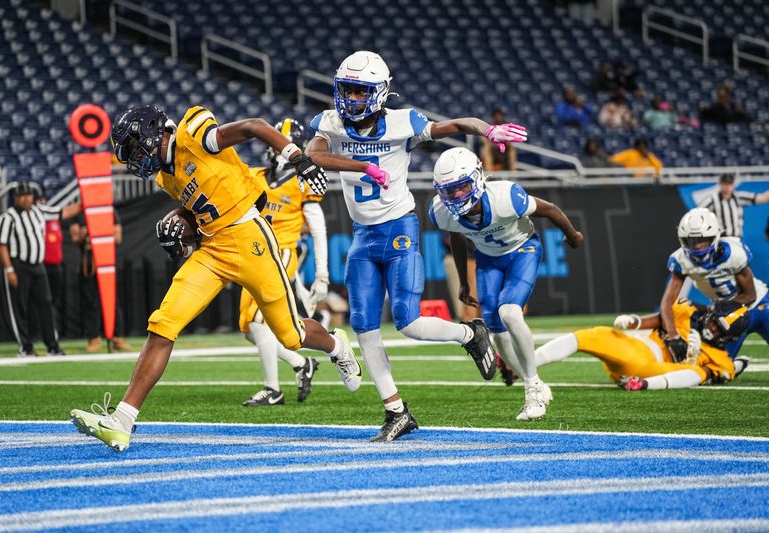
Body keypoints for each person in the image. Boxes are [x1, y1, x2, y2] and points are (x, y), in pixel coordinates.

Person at [71, 105, 362, 452]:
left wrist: (297, 157)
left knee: (291, 335)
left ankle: (336, 345)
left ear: (153, 132)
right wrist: (181, 228)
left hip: (251, 239)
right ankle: (122, 420)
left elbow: (253, 124)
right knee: (163, 323)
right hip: (212, 250)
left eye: (136, 148)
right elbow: (200, 209)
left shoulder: (194, 134)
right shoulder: (166, 176)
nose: (135, 158)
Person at [306, 50, 524, 441]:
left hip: (398, 228)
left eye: (361, 91)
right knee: (363, 327)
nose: (352, 99)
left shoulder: (402, 122)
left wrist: (487, 131)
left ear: (380, 92)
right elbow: (314, 154)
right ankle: (396, 411)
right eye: (348, 90)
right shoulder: (332, 124)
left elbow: (455, 124)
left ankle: (469, 335)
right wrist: (360, 166)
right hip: (362, 235)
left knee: (408, 322)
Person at [429, 147, 583, 420]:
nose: (455, 196)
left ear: (477, 178)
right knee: (495, 326)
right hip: (488, 259)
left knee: (509, 312)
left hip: (523, 250)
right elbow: (457, 236)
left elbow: (549, 209)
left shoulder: (505, 196)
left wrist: (572, 235)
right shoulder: (441, 211)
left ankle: (532, 387)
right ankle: (534, 380)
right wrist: (464, 281)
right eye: (448, 190)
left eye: (461, 187)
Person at [240, 118, 328, 406]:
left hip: (281, 253)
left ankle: (272, 389)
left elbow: (318, 229)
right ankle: (302, 364)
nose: (275, 151)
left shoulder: (303, 182)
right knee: (249, 329)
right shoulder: (254, 175)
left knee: (256, 320)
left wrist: (322, 274)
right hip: (252, 254)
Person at [534, 299, 750, 390]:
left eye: (718, 330)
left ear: (728, 338)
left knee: (696, 372)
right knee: (593, 334)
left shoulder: (721, 360)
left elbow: (698, 376)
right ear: (710, 313)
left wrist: (691, 359)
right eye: (713, 322)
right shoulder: (690, 312)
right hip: (637, 348)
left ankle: (642, 384)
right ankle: (524, 364)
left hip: (654, 369)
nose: (711, 329)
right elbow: (659, 319)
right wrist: (635, 322)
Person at [660, 208, 768, 360]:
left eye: (702, 241)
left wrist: (717, 310)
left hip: (758, 305)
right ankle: (737, 365)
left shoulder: (734, 254)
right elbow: (667, 302)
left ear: (715, 236)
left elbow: (750, 295)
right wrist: (672, 335)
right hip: (727, 316)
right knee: (718, 366)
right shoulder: (680, 260)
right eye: (691, 242)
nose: (697, 247)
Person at [0, 181, 81, 356]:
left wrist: (88, 200)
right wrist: (9, 270)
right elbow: (1, 245)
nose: (26, 199)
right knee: (20, 307)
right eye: (22, 196)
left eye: (29, 195)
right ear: (15, 198)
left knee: (46, 305)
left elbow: (63, 212)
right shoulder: (8, 217)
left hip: (38, 266)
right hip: (19, 265)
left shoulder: (38, 211)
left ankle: (52, 346)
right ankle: (25, 347)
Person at [69, 210, 133, 352]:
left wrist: (97, 230)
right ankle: (93, 338)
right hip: (89, 262)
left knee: (112, 301)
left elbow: (118, 238)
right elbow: (75, 238)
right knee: (90, 302)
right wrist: (84, 233)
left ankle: (117, 338)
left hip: (106, 260)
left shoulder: (110, 212)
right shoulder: (79, 214)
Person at [30, 182, 66, 336]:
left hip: (56, 266)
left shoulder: (53, 221)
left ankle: (53, 330)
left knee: (54, 301)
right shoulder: (34, 221)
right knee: (41, 301)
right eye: (38, 200)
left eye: (43, 199)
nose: (41, 202)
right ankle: (39, 332)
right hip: (41, 265)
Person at [698, 173, 769, 238]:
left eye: (729, 184)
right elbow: (697, 212)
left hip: (737, 239)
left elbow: (761, 198)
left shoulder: (738, 197)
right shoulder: (712, 199)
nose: (727, 187)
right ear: (720, 184)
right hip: (720, 239)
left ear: (733, 185)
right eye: (725, 183)